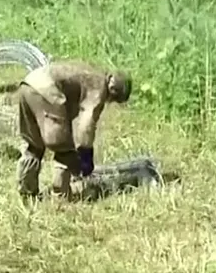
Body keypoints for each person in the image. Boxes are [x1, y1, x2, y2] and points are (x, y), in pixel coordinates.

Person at [16, 61, 132, 199]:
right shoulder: (99, 87)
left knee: (34, 146)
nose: (109, 102)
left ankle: (27, 193)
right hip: (49, 90)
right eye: (113, 100)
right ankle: (60, 196)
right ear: (113, 89)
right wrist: (85, 154)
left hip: (28, 84)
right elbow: (86, 125)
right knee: (65, 149)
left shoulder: (91, 71)